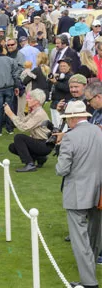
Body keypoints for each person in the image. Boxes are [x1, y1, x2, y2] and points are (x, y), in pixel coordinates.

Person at [55, 100, 102, 288]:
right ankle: (89, 274)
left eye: (68, 119)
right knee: (94, 236)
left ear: (73, 118)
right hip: (98, 192)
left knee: (80, 240)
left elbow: (61, 169)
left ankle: (89, 283)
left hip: (77, 194)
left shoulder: (69, 137)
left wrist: (59, 148)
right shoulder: (98, 132)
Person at [5, 89, 52, 172]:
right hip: (40, 142)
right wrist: (11, 113)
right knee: (13, 147)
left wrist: (11, 114)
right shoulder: (34, 111)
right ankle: (40, 158)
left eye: (30, 98)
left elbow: (24, 128)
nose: (27, 100)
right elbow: (22, 120)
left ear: (37, 101)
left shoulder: (39, 113)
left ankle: (30, 164)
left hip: (45, 144)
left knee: (19, 137)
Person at [50, 58, 74, 127]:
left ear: (69, 67)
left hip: (62, 105)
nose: (62, 67)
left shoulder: (71, 76)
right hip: (54, 103)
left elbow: (67, 88)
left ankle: (62, 137)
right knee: (55, 125)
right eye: (60, 66)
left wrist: (55, 82)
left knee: (61, 125)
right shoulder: (59, 76)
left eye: (64, 66)